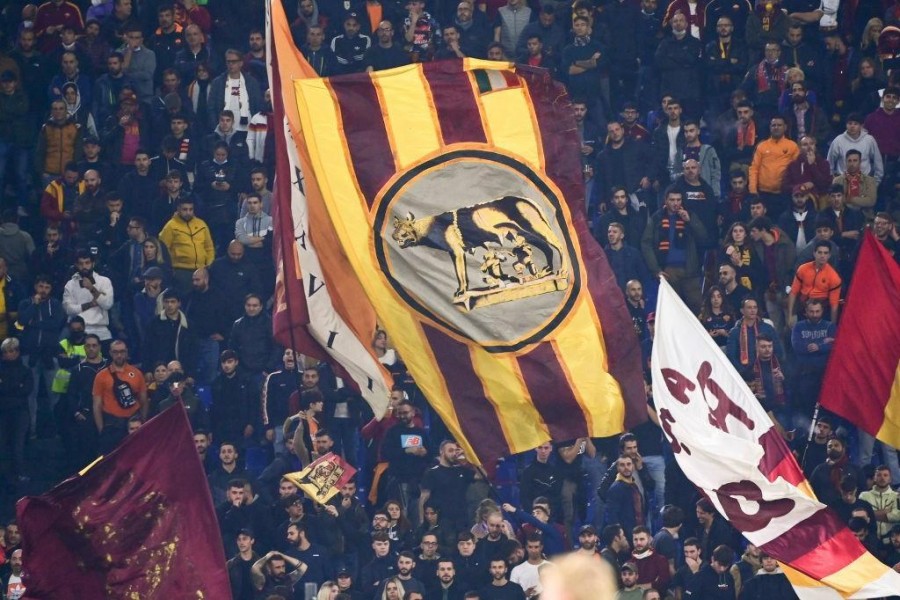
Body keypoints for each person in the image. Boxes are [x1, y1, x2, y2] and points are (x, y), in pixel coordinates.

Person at [641, 188, 707, 312]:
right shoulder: (656, 218)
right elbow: (646, 244)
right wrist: (656, 269)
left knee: (697, 309)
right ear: (665, 200)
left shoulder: (689, 215)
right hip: (668, 272)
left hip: (689, 271)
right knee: (672, 310)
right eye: (672, 200)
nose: (676, 203)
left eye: (678, 200)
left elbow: (703, 238)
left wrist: (690, 221)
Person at [91, 339, 146, 452]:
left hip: (133, 423)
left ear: (126, 352)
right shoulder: (101, 376)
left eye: (122, 351)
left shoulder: (137, 373)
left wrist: (143, 424)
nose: (119, 355)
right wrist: (102, 430)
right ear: (110, 353)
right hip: (112, 426)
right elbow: (97, 405)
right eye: (115, 352)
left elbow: (144, 401)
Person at [158, 197, 215, 293]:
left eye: (191, 209)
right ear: (178, 209)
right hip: (182, 272)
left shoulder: (201, 224)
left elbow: (209, 247)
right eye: (185, 209)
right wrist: (170, 269)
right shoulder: (171, 226)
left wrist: (208, 265)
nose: (188, 212)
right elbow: (162, 249)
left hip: (202, 270)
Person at [748, 116, 799, 217]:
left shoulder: (792, 146)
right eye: (773, 125)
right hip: (764, 194)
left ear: (785, 127)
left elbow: (796, 170)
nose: (776, 127)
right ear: (770, 127)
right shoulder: (762, 146)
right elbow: (754, 168)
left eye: (779, 125)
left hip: (784, 194)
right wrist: (753, 190)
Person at [0, 338, 34, 484]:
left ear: (18, 352)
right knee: (2, 443)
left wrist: (6, 385)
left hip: (20, 412)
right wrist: (16, 386)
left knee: (18, 444)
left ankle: (19, 472)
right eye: (6, 352)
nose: (9, 354)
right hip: (3, 411)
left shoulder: (26, 370)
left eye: (12, 351)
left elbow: (26, 390)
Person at [62, 250, 114, 345]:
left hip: (101, 331)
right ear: (76, 265)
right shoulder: (70, 284)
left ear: (93, 264)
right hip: (77, 332)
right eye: (81, 263)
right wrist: (90, 304)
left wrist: (91, 288)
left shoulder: (104, 281)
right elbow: (68, 309)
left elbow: (107, 304)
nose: (84, 266)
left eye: (87, 263)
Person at [787, 241, 841, 324]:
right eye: (819, 252)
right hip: (803, 307)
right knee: (790, 331)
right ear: (814, 253)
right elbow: (793, 292)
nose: (822, 256)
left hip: (821, 310)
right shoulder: (803, 269)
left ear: (829, 255)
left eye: (825, 253)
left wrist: (832, 325)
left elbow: (834, 304)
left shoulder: (834, 277)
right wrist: (790, 315)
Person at [809, 436, 864, 510]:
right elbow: (811, 491)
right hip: (826, 511)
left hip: (849, 510)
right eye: (829, 446)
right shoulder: (819, 469)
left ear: (843, 449)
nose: (833, 448)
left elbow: (862, 491)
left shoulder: (854, 469)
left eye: (836, 445)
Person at [827, 113, 883, 183]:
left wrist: (876, 183)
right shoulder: (838, 140)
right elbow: (829, 162)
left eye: (855, 124)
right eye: (850, 123)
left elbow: (878, 162)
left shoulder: (869, 140)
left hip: (864, 181)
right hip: (843, 182)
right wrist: (833, 181)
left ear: (861, 126)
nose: (852, 126)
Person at [604, 455, 645, 536]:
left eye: (629, 464)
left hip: (637, 533)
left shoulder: (634, 486)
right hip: (625, 536)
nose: (626, 467)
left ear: (633, 466)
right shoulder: (615, 489)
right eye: (622, 465)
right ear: (618, 468)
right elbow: (612, 517)